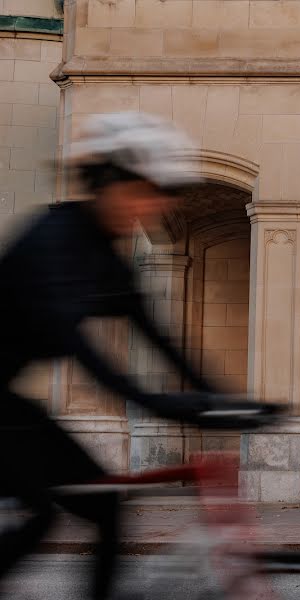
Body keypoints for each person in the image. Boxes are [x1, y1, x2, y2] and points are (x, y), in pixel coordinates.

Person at [0, 111, 276, 600]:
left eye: (158, 194)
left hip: (9, 400)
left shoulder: (105, 253)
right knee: (39, 516)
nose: (151, 206)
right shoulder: (53, 242)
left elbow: (160, 337)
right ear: (107, 182)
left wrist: (227, 399)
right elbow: (80, 348)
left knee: (106, 503)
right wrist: (154, 402)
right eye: (142, 191)